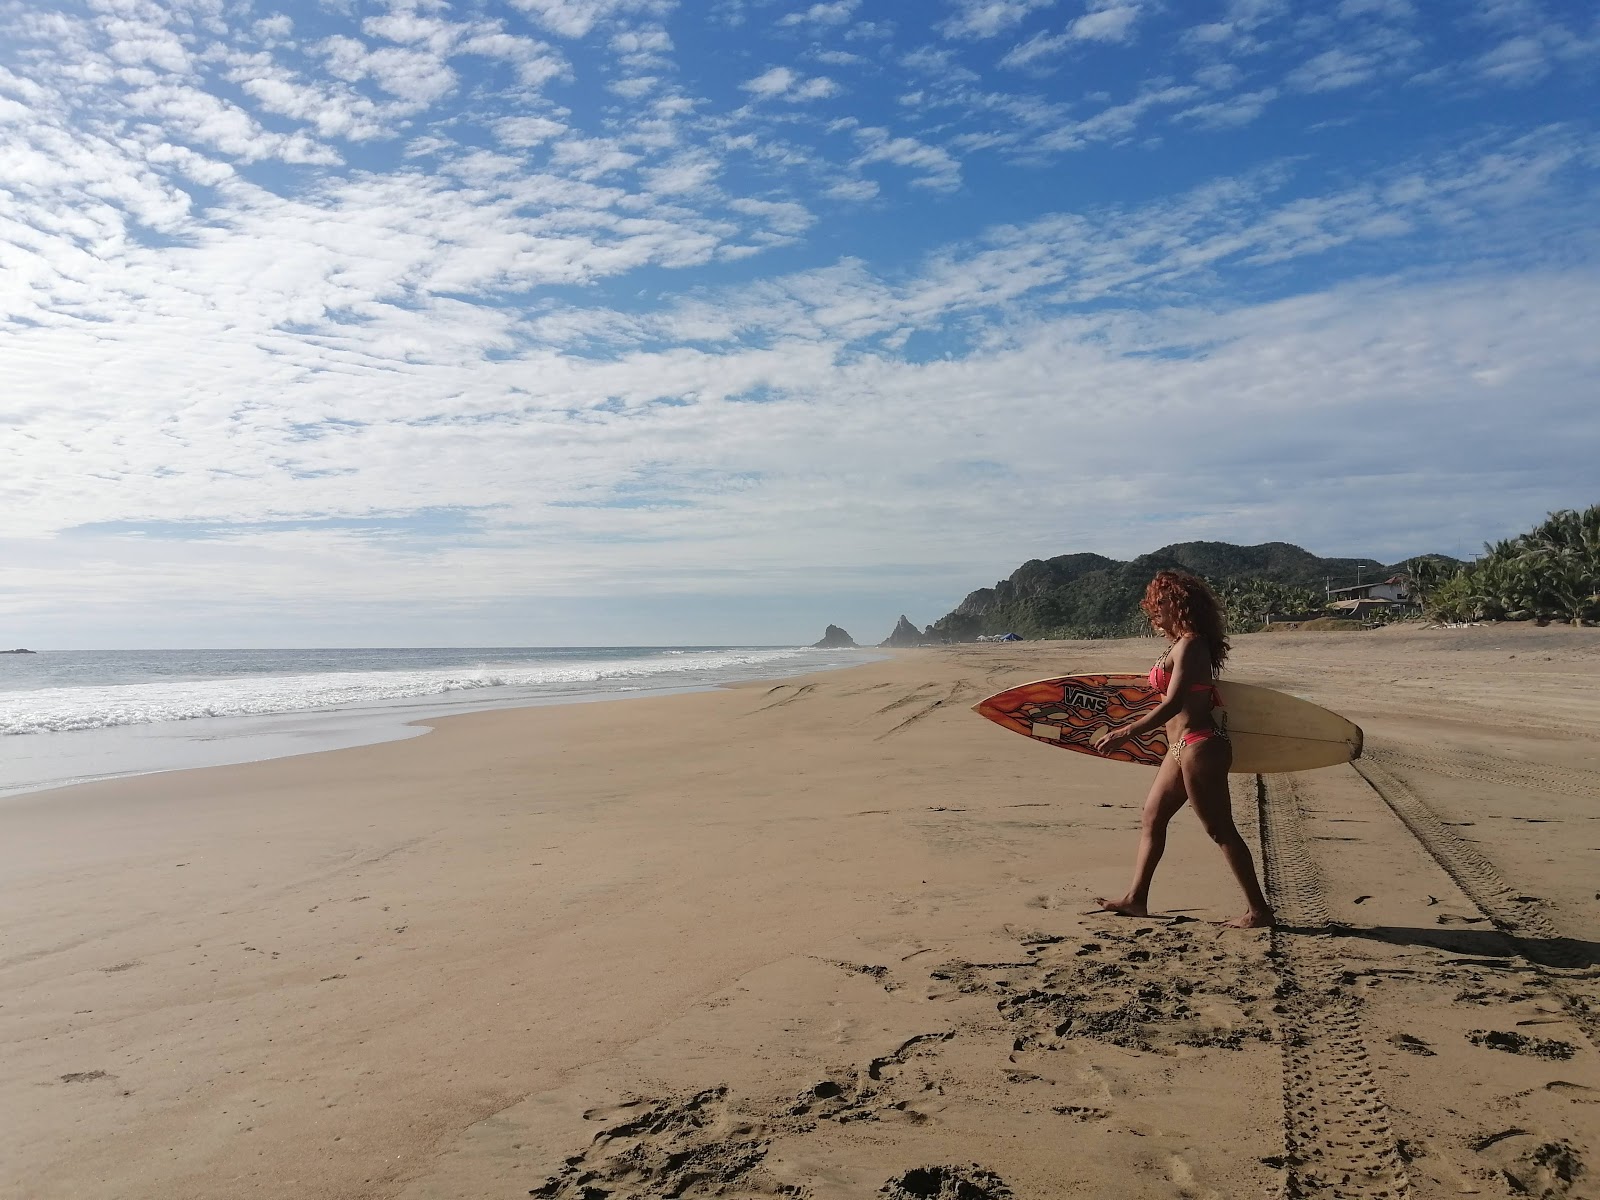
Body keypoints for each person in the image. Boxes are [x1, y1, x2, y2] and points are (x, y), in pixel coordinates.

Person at [1091, 570, 1274, 928]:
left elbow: (1174, 703)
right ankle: (1135, 898)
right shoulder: (1178, 644)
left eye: (1161, 603)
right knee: (1152, 818)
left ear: (1180, 605)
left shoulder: (1192, 645)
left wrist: (1126, 732)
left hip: (1200, 746)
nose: (1153, 611)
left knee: (1221, 831)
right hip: (1178, 749)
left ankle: (1259, 911)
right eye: (1152, 605)